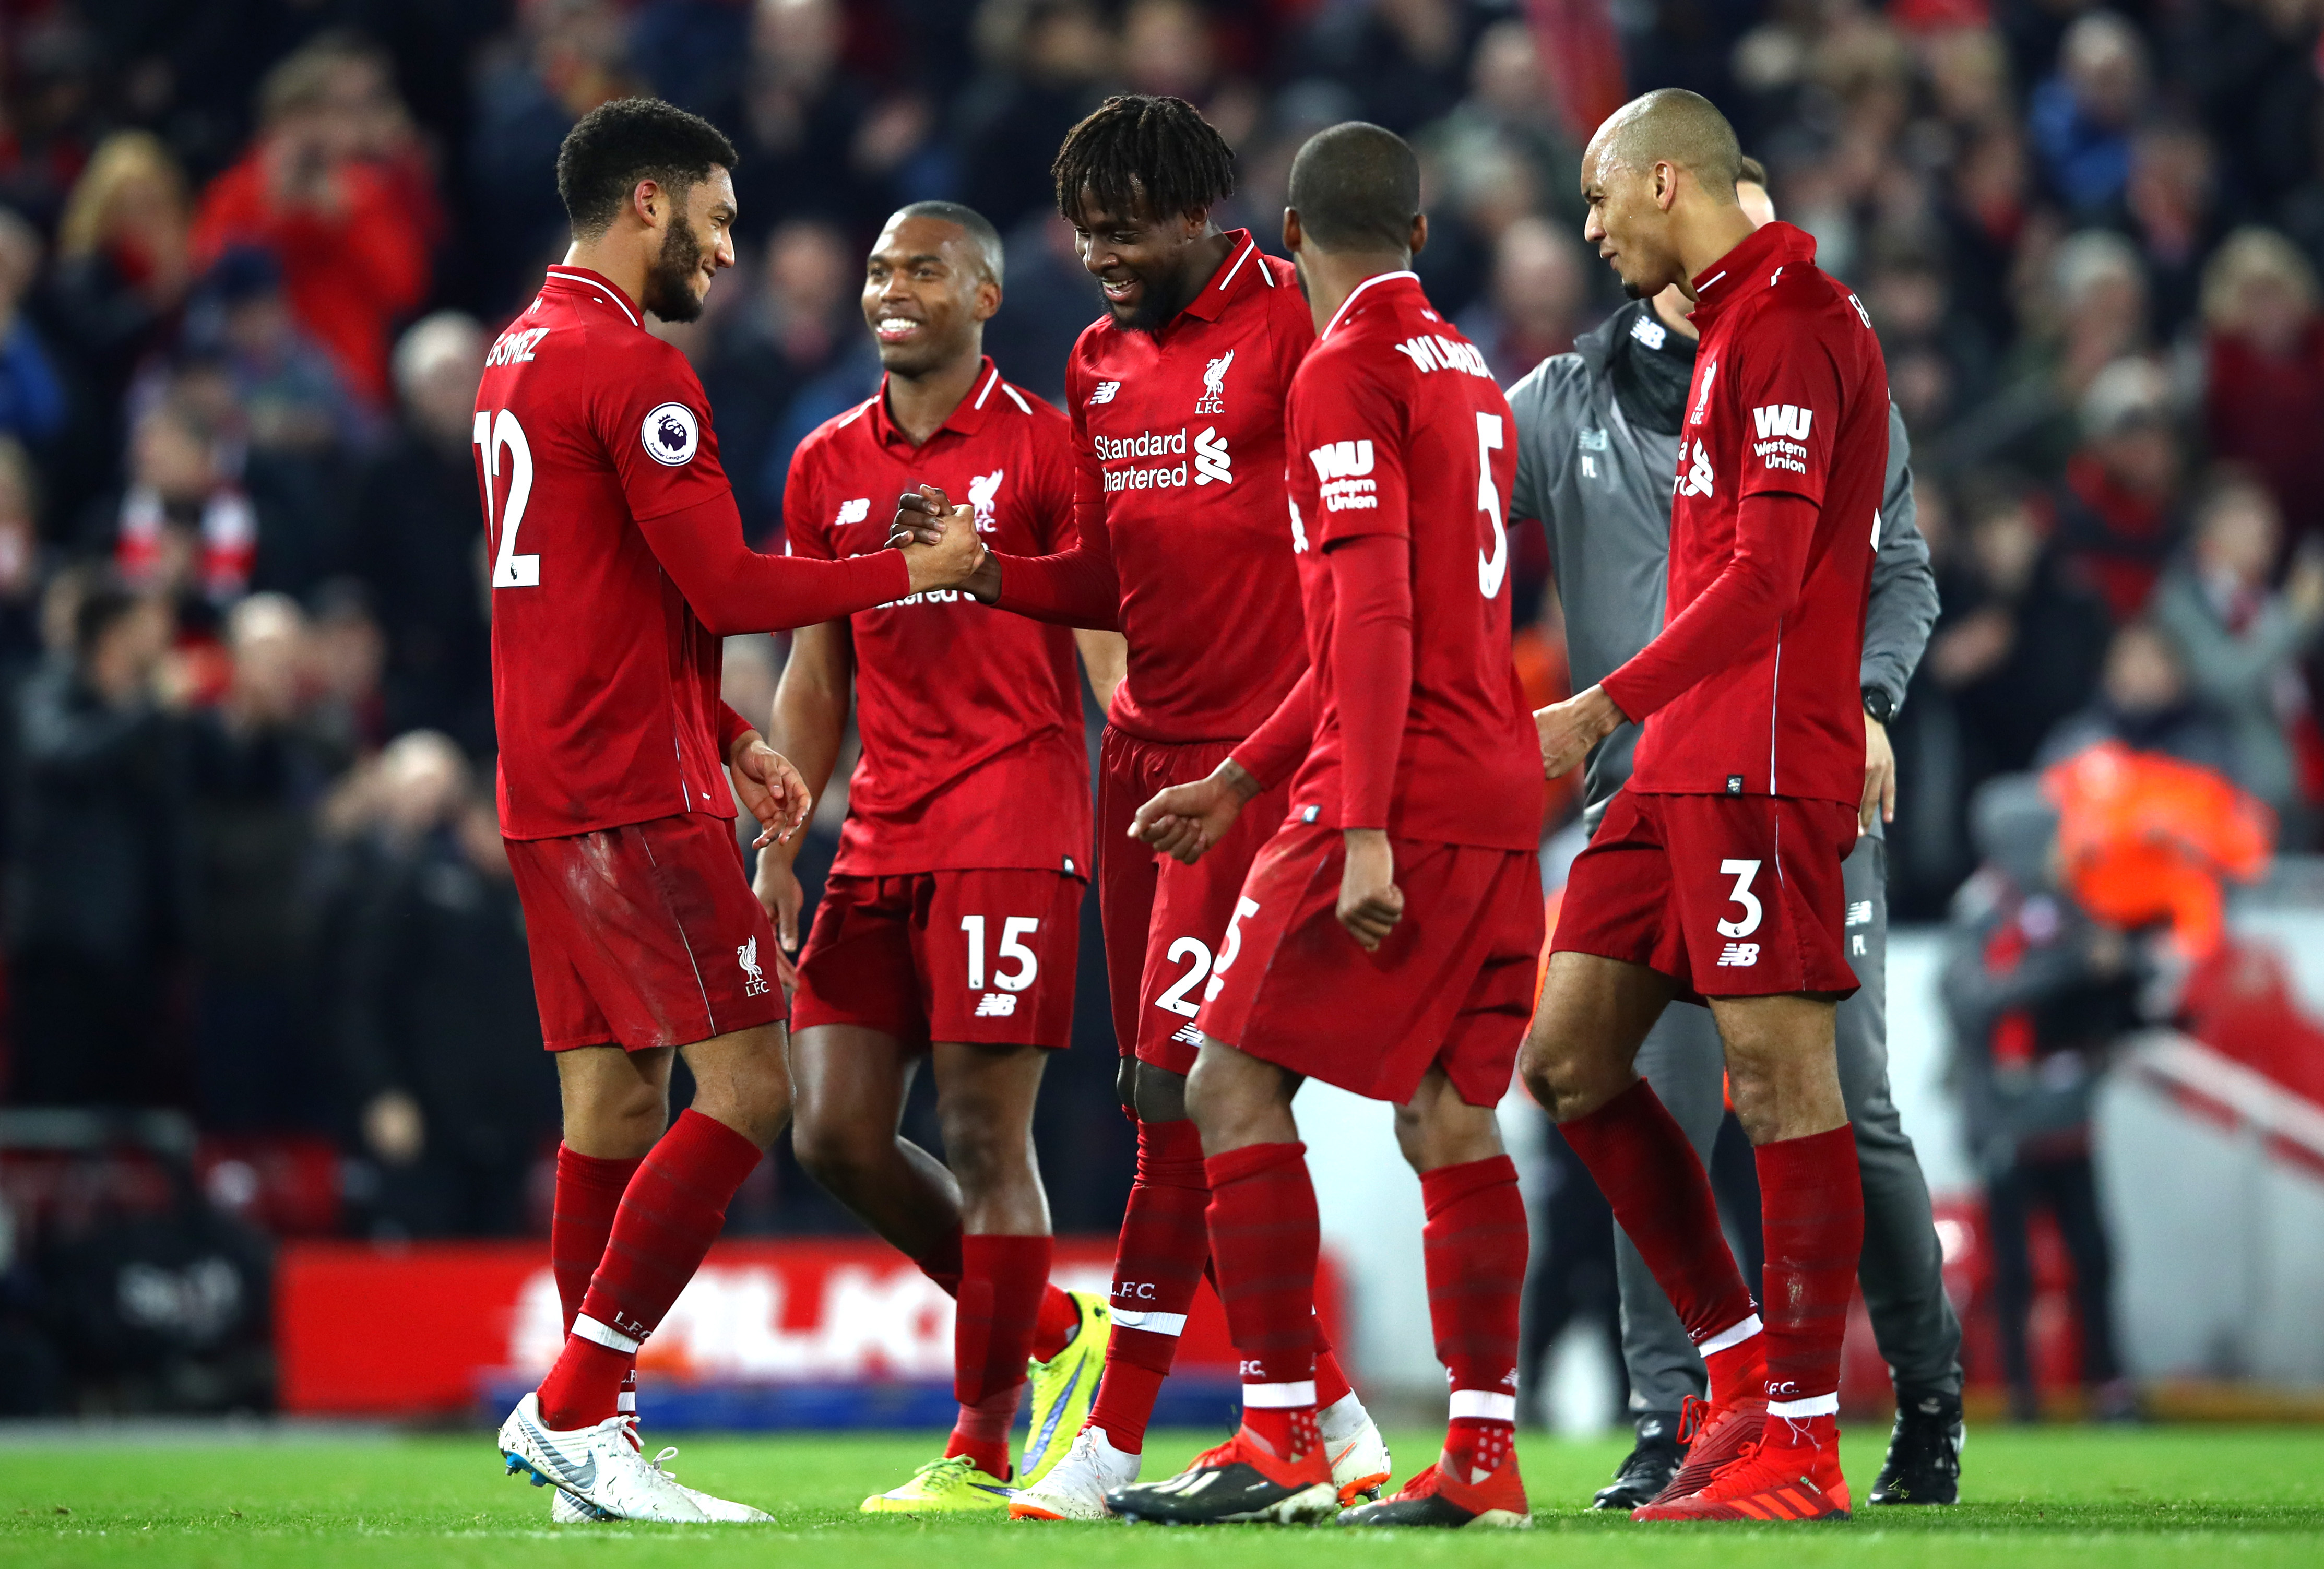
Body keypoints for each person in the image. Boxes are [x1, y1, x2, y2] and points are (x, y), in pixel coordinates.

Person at [482, 96, 979, 1525]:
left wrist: (727, 724)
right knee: (751, 1089)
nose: (727, 245)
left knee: (611, 1100)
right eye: (714, 216)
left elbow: (596, 593)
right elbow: (730, 590)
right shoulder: (632, 369)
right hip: (632, 792)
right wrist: (912, 570)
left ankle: (600, 1448)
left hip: (553, 782)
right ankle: (576, 1401)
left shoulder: (515, 354)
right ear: (648, 203)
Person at [901, 93, 1390, 1522]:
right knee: (1149, 1091)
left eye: (1124, 230)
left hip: (1261, 766)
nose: (1100, 255)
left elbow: (1357, 560)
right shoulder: (1096, 359)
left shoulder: (1295, 328)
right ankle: (1337, 1424)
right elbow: (1109, 582)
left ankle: (1111, 1442)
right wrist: (989, 569)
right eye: (1085, 232)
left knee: (1187, 1094)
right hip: (1142, 762)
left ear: (1196, 213)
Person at [1096, 119, 1544, 1530]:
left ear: (1287, 239)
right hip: (1494, 781)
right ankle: (1480, 1452)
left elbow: (1368, 612)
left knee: (1219, 1080)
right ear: (1419, 235)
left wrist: (1352, 827)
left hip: (1393, 784)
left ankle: (1279, 1427)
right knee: (1450, 1116)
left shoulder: (1337, 367)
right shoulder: (1469, 372)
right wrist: (1238, 775)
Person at [1505, 159, 1967, 1509]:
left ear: (1667, 180)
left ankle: (1810, 1441)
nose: (1588, 227)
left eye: (1599, 197)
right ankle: (1737, 1371)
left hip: (1757, 762)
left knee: (1794, 1090)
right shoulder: (1716, 328)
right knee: (1570, 1059)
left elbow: (1769, 577)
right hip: (1670, 769)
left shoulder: (1794, 328)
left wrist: (1598, 703)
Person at [757, 200, 1119, 1512]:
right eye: (875, 269)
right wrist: (786, 833)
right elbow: (816, 661)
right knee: (835, 1133)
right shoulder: (823, 464)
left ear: (982, 297)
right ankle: (1052, 1329)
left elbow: (1104, 634)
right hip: (881, 826)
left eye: (921, 270)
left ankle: (980, 1444)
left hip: (1014, 824)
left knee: (980, 1131)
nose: (888, 289)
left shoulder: (1046, 450)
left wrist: (1146, 771)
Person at [1943, 776, 2138, 1423]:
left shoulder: (2074, 904)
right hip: (2007, 1117)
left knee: (2094, 1256)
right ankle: (2023, 1396)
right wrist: (2064, 969)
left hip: (2070, 1117)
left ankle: (2107, 1387)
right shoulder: (1979, 910)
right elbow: (1970, 1003)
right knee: (2014, 1267)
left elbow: (2103, 989)